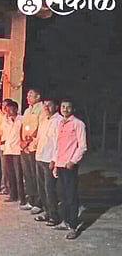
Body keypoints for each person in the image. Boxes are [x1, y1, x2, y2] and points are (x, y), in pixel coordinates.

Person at [51, 98, 87, 240]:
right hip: (59, 164)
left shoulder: (78, 124)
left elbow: (82, 146)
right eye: (63, 107)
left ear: (73, 109)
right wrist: (54, 160)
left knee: (71, 196)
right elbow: (57, 144)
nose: (65, 109)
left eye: (68, 107)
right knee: (62, 195)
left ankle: (73, 226)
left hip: (69, 165)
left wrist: (73, 161)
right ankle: (65, 221)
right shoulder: (60, 123)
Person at [33, 98, 63, 227]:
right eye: (44, 105)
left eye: (49, 105)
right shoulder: (44, 120)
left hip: (49, 159)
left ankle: (54, 215)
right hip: (39, 157)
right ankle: (46, 212)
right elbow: (39, 138)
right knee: (41, 188)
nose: (46, 107)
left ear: (56, 107)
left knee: (49, 188)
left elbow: (58, 142)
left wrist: (54, 159)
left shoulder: (59, 121)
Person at [20, 89, 46, 213]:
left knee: (36, 177)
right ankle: (31, 200)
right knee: (28, 175)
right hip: (25, 147)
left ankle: (39, 203)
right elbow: (23, 126)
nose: (28, 97)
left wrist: (30, 141)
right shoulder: (27, 110)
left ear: (38, 96)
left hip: (34, 146)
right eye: (27, 95)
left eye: (31, 95)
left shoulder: (42, 109)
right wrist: (22, 141)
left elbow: (39, 128)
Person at [1, 101, 27, 209]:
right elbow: (4, 134)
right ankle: (13, 195)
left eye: (10, 109)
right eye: (7, 109)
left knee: (18, 175)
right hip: (7, 149)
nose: (8, 111)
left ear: (16, 109)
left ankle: (22, 197)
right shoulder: (5, 120)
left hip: (17, 150)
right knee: (10, 174)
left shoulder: (22, 119)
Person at [0, 98, 13, 195]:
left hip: (11, 147)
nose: (4, 108)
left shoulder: (15, 119)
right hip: (3, 146)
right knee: (4, 168)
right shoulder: (3, 118)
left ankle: (9, 188)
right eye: (3, 106)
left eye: (6, 106)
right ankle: (4, 186)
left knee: (9, 169)